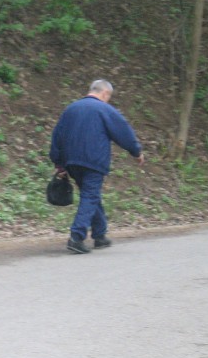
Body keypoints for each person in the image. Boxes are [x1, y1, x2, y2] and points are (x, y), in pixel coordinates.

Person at [50, 79, 145, 254]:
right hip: (93, 161)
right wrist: (136, 151)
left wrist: (59, 163)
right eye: (109, 96)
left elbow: (57, 136)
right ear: (105, 93)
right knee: (90, 195)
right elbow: (123, 132)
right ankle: (76, 237)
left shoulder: (70, 109)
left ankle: (100, 235)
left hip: (71, 161)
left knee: (90, 194)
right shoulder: (104, 109)